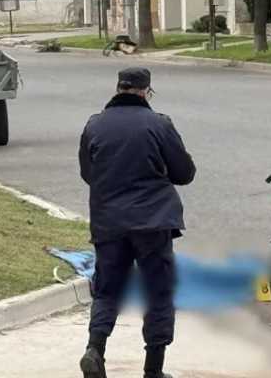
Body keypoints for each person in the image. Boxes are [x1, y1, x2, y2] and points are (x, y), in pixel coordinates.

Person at [78, 67, 195, 378]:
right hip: (153, 223)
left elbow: (88, 174)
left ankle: (95, 349)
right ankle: (153, 370)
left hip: (109, 223)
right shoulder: (159, 124)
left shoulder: (95, 125)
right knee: (158, 292)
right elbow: (184, 173)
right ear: (146, 91)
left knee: (107, 289)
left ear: (117, 88)